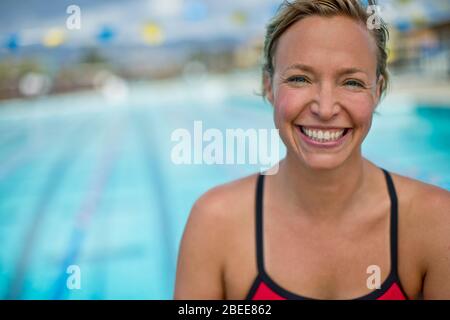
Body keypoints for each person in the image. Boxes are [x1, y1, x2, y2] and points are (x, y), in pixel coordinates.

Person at [174, 0, 450, 300]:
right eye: (299, 79)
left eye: (352, 82)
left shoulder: (436, 221)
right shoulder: (215, 223)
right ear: (269, 86)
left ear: (377, 91)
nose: (325, 108)